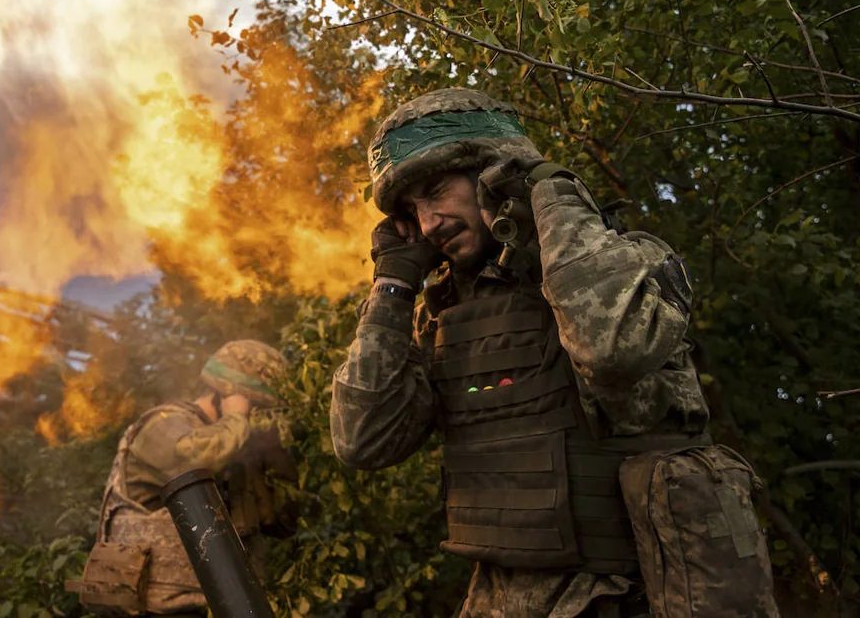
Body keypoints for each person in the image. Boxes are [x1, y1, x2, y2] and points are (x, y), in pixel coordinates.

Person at [330, 88, 776, 617]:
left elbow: (610, 349)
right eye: (412, 210)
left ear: (496, 172)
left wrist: (551, 195)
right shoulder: (441, 318)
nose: (428, 224)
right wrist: (394, 283)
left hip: (636, 597)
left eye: (435, 190)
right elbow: (363, 440)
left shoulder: (632, 264)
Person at [75, 339, 293, 616]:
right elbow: (195, 460)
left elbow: (282, 522)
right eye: (256, 408)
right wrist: (237, 418)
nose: (255, 419)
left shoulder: (232, 446)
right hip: (154, 607)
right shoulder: (164, 424)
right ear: (228, 397)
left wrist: (273, 449)